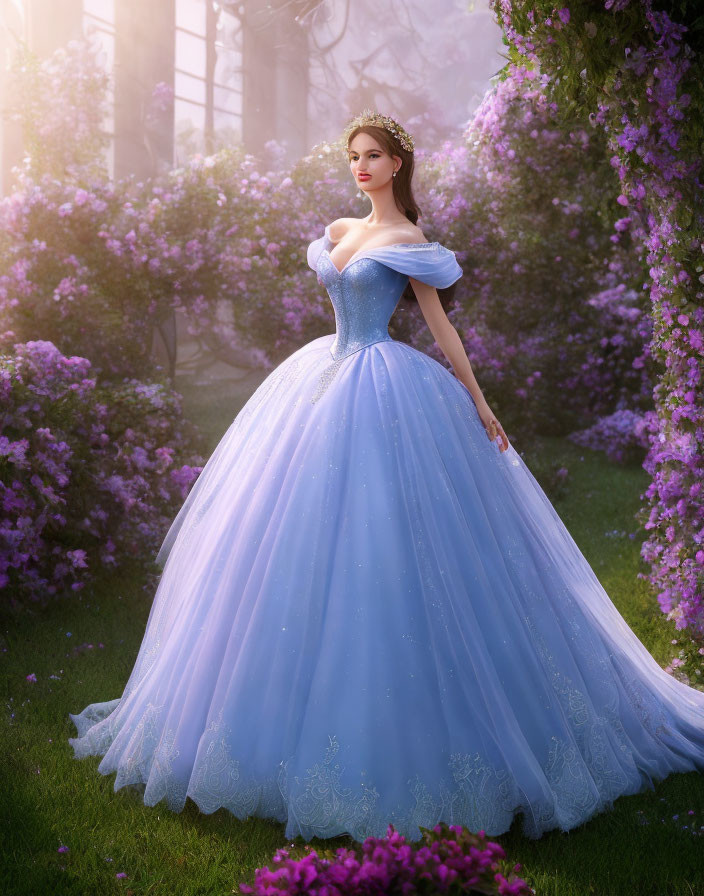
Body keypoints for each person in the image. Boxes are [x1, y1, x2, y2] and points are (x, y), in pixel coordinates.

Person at [68, 109, 704, 844]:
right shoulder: (340, 232)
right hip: (319, 382)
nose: (360, 166)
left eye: (372, 155)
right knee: (283, 543)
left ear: (398, 164)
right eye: (353, 156)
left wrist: (480, 401)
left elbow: (441, 327)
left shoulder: (409, 242)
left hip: (386, 385)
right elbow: (340, 280)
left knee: (392, 545)